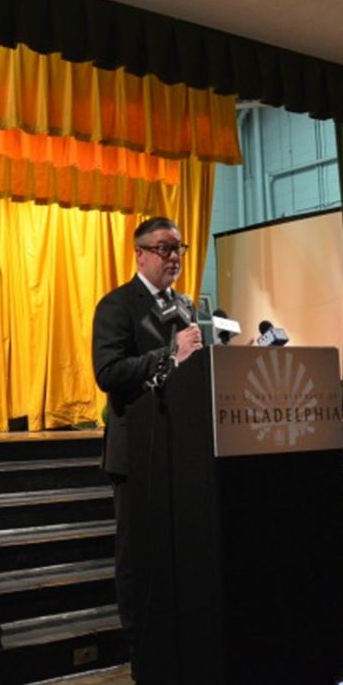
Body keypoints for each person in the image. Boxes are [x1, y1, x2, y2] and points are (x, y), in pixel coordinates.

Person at [91, 217, 203, 661]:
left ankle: (181, 644)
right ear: (138, 253)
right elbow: (109, 373)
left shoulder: (185, 305)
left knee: (180, 553)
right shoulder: (117, 305)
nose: (173, 256)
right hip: (136, 453)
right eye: (163, 248)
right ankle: (144, 655)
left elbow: (191, 370)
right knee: (138, 560)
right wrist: (168, 354)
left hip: (184, 448)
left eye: (179, 248)